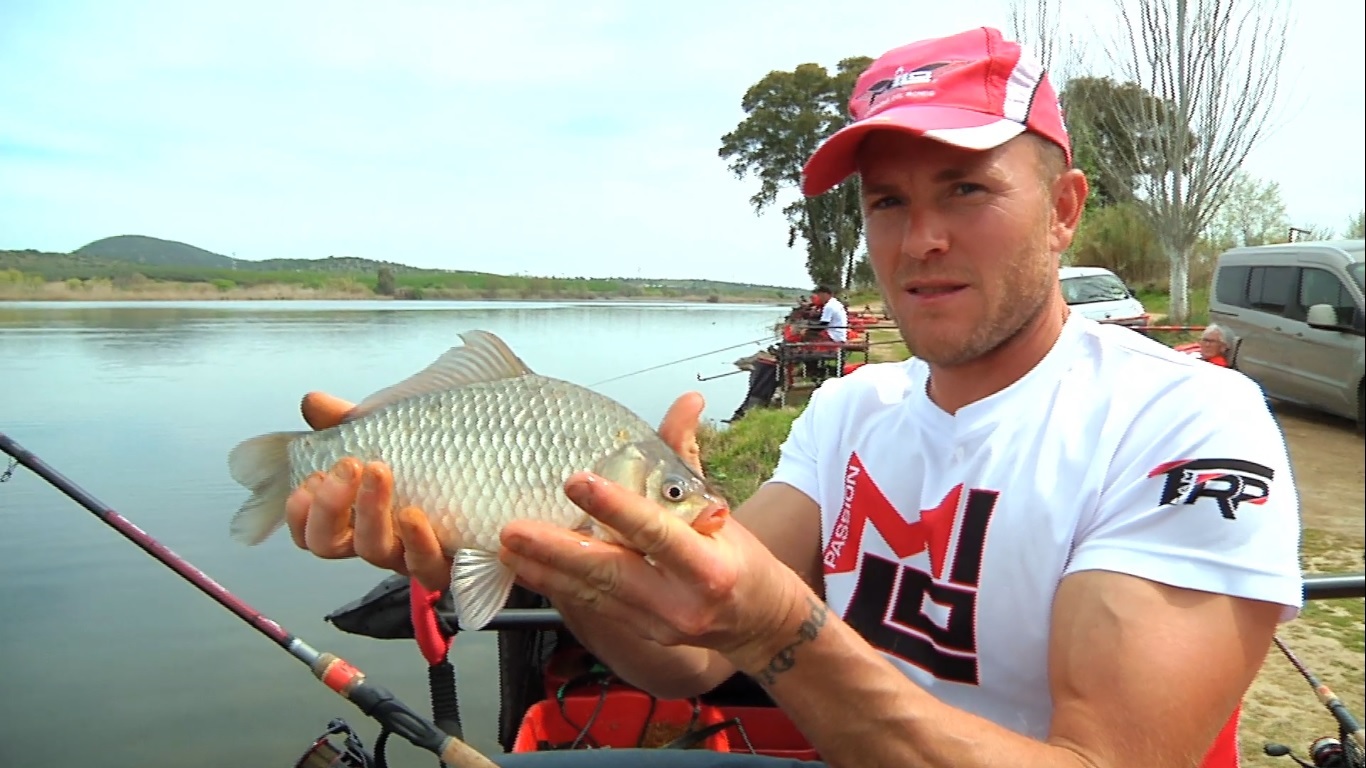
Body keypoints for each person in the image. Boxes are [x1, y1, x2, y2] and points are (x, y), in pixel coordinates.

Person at [282, 26, 1302, 768]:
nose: (920, 239)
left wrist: (777, 630)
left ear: (1064, 210)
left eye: (965, 189)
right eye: (888, 203)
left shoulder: (1183, 422)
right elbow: (679, 658)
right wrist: (576, 567)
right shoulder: (850, 412)